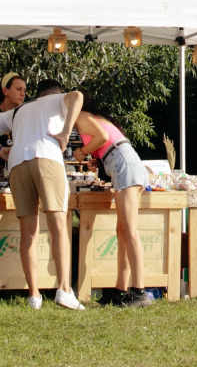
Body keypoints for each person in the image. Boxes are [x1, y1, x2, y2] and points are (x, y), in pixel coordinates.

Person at [0, 80, 85, 309]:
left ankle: (34, 295)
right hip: (46, 157)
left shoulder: (18, 110)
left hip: (18, 163)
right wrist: (66, 132)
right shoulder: (58, 99)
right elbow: (77, 95)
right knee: (59, 225)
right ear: (57, 93)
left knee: (28, 232)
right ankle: (65, 289)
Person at [71, 109, 151, 306]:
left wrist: (81, 152)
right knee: (122, 231)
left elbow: (103, 137)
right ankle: (120, 289)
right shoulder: (97, 119)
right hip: (125, 164)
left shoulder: (82, 116)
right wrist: (96, 159)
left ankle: (139, 291)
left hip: (124, 166)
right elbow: (107, 143)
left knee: (129, 231)